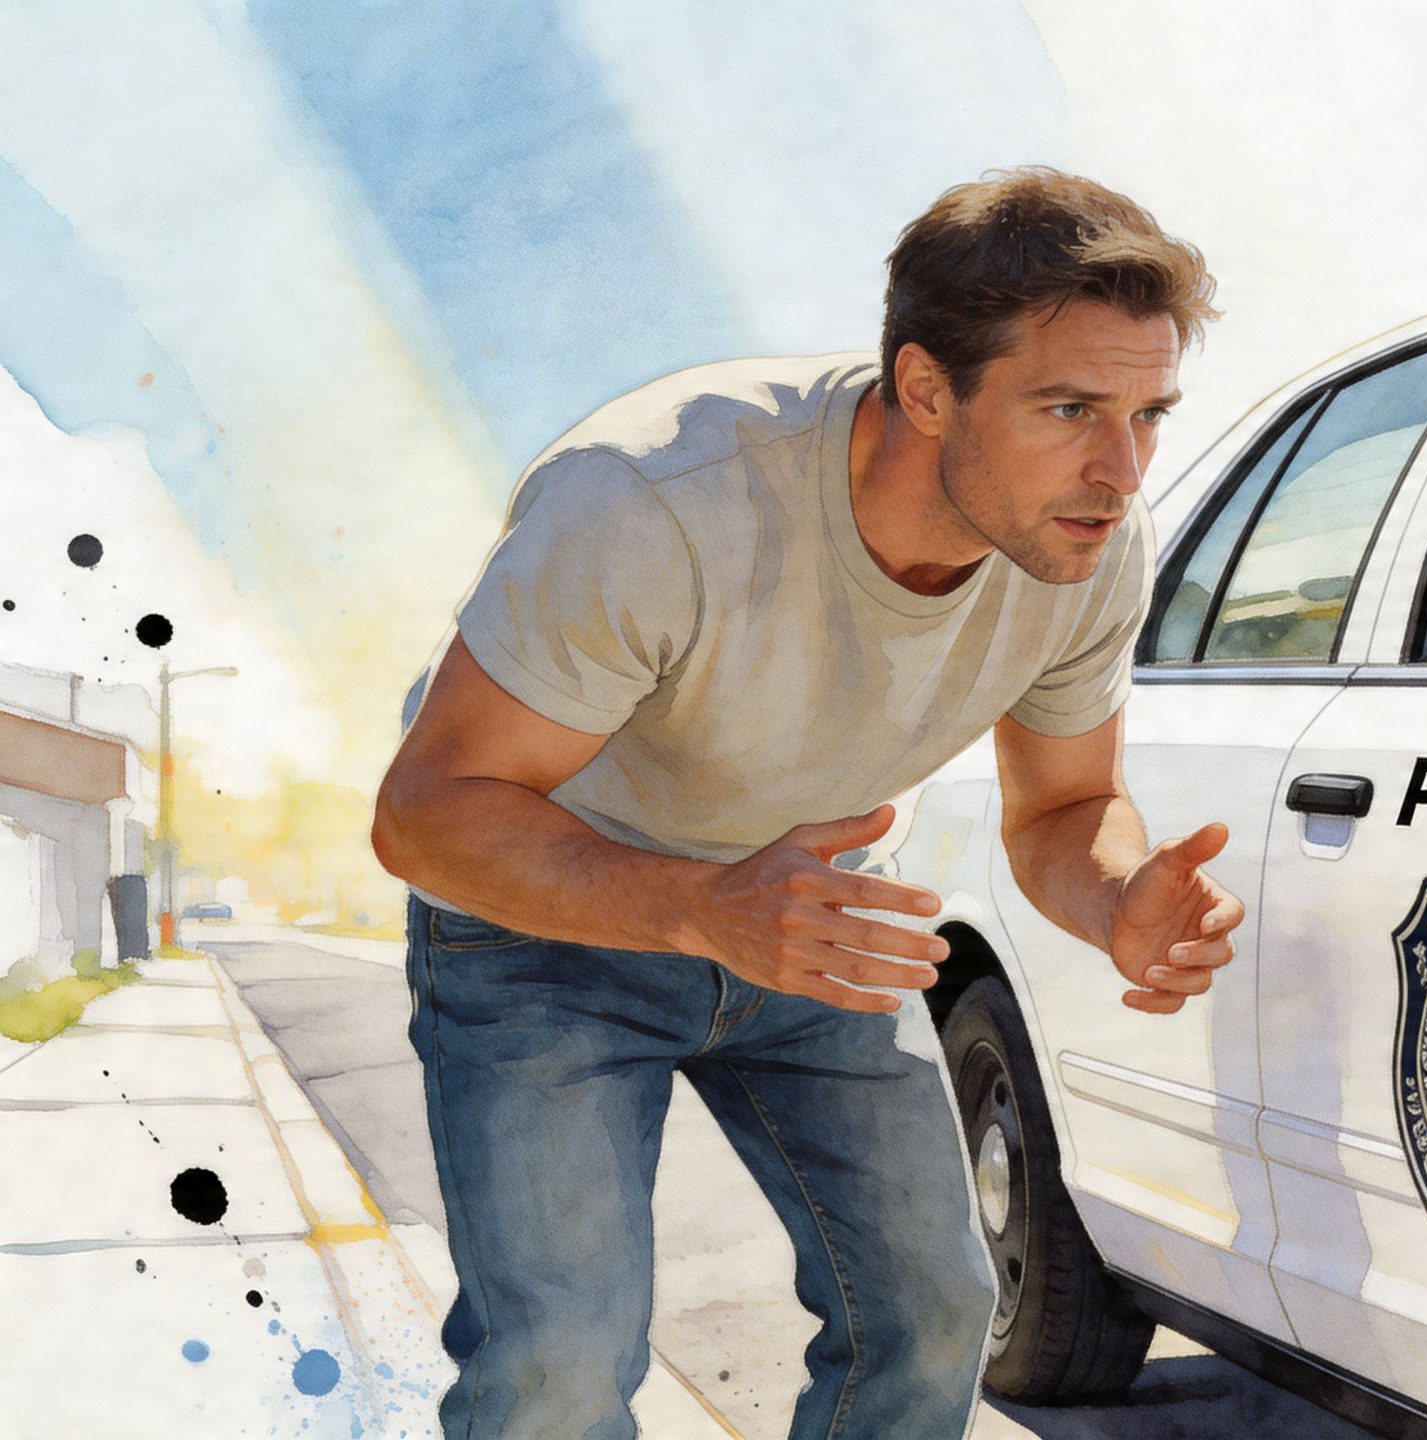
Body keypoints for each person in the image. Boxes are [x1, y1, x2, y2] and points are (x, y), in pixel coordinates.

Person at [370, 166, 1242, 1440]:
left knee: (935, 1318)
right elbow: (427, 813)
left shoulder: (1084, 543)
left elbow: (1063, 807)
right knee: (556, 1362)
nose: (1121, 469)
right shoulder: (651, 500)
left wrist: (1116, 899)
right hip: (544, 924)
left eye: (1150, 414)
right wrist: (702, 910)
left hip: (806, 929)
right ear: (927, 387)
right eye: (1069, 408)